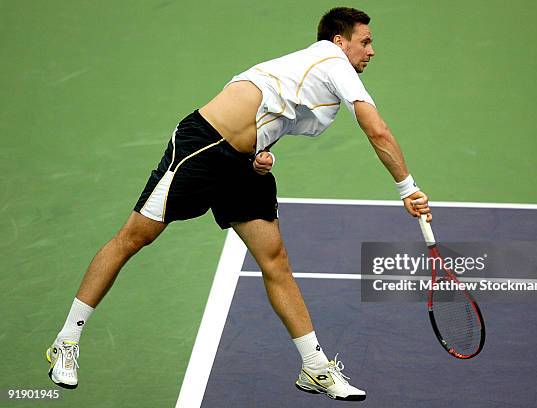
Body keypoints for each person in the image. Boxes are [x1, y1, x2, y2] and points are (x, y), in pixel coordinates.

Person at [45, 7, 431, 401]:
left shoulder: (316, 85)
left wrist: (264, 156)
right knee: (133, 238)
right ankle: (66, 341)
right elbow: (376, 129)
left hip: (244, 166)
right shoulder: (332, 61)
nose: (371, 51)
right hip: (203, 146)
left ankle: (315, 369)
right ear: (339, 41)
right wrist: (407, 188)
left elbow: (272, 120)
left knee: (275, 259)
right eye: (365, 41)